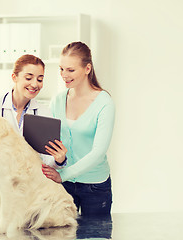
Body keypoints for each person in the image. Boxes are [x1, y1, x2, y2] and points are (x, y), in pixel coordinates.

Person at [0, 54, 67, 220]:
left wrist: (59, 160)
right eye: (29, 77)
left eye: (40, 79)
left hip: (20, 196)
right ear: (14, 77)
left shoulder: (45, 114)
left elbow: (45, 161)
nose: (35, 84)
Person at [42, 42, 115, 216]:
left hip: (95, 186)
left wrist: (64, 174)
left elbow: (98, 152)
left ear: (87, 68)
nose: (64, 75)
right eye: (61, 69)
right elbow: (49, 141)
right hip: (63, 185)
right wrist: (58, 161)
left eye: (70, 70)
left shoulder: (104, 103)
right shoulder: (58, 100)